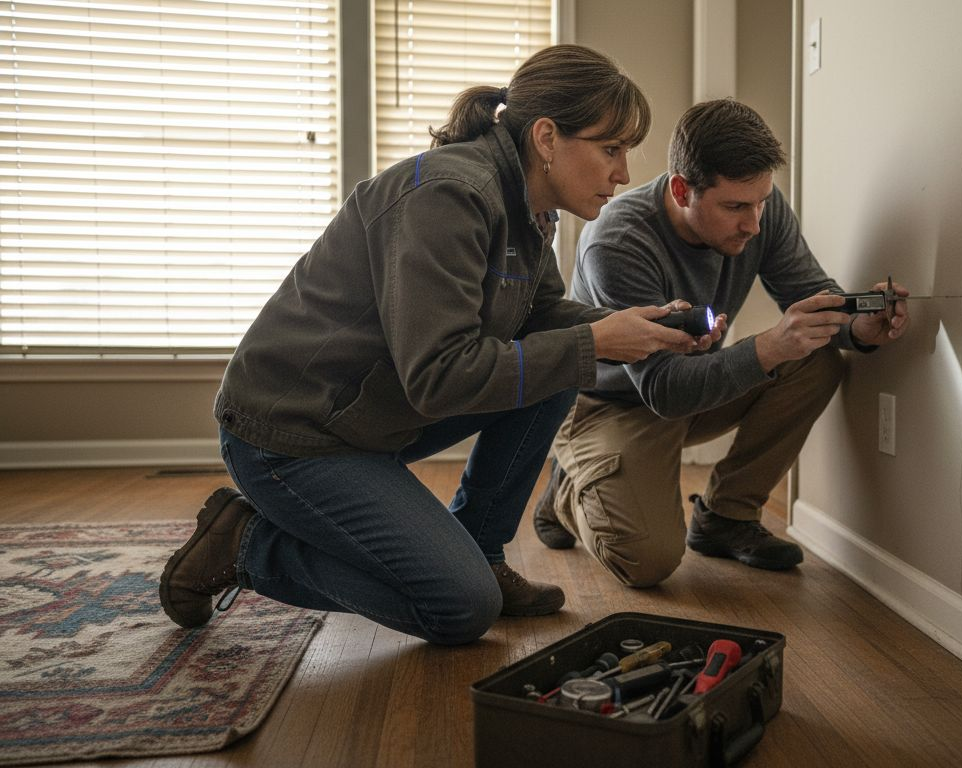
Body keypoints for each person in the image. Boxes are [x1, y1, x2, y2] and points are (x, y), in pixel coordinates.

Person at [158, 45, 716, 645]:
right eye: (611, 149)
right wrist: (592, 341)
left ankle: (480, 549)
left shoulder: (528, 205)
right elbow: (439, 377)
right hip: (292, 436)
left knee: (561, 364)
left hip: (368, 416)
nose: (624, 173)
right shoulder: (449, 196)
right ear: (547, 138)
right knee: (458, 607)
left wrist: (636, 328)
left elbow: (542, 316)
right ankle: (243, 545)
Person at [532, 98, 909, 587]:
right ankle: (570, 488)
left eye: (761, 202)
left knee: (816, 358)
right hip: (610, 404)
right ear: (681, 189)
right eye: (734, 207)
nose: (754, 224)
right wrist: (770, 347)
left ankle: (726, 518)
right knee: (647, 561)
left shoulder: (760, 210)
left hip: (690, 385)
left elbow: (812, 297)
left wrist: (856, 330)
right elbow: (663, 390)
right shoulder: (618, 242)